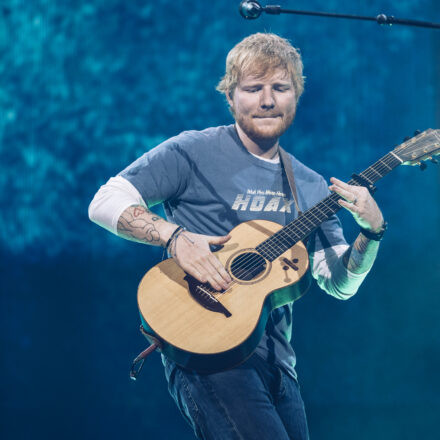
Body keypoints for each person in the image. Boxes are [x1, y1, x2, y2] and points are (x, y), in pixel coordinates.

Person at [89, 33, 385, 440]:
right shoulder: (191, 151)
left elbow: (340, 284)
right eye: (253, 88)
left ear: (296, 96)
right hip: (207, 349)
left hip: (281, 367)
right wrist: (173, 237)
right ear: (230, 96)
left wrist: (371, 232)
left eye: (280, 88)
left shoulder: (312, 186)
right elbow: (105, 201)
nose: (268, 100)